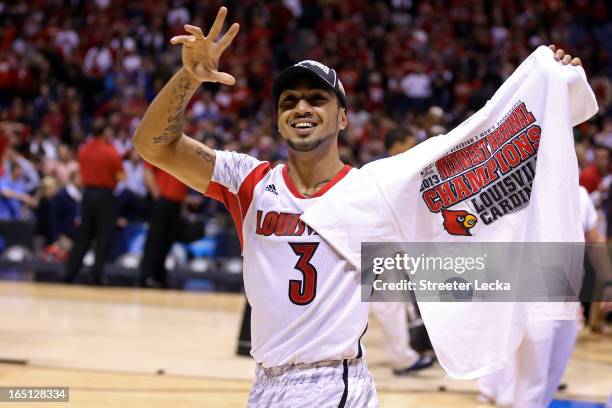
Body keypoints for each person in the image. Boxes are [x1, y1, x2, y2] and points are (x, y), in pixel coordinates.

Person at [132, 7, 582, 406]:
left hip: (334, 384)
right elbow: (154, 146)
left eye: (317, 99)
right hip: (265, 385)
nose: (301, 108)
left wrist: (548, 88)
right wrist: (188, 76)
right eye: (289, 101)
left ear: (343, 117)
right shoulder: (249, 181)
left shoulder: (374, 190)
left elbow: (473, 145)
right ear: (277, 117)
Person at [64, 119, 124, 285]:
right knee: (104, 236)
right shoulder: (111, 151)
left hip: (87, 195)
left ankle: (70, 272)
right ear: (104, 131)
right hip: (105, 195)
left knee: (84, 235)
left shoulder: (83, 150)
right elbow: (122, 176)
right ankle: (96, 275)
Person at [139, 162, 188, 288]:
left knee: (168, 241)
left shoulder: (183, 152)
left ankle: (159, 276)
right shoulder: (162, 149)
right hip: (162, 200)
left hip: (176, 203)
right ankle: (147, 275)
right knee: (155, 239)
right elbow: (147, 171)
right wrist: (157, 195)